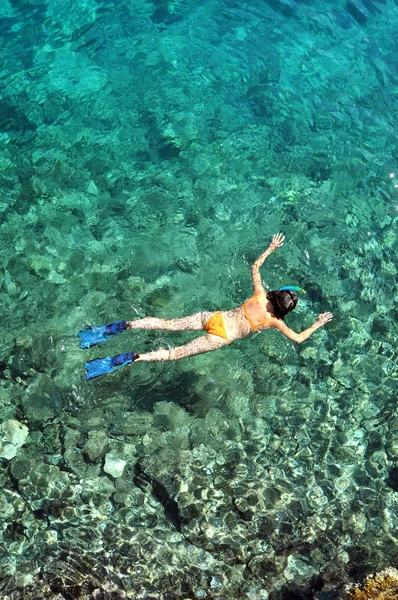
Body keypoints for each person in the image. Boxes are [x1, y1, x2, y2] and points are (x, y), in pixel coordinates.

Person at [79, 233, 333, 380]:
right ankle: (134, 357)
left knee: (167, 324)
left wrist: (271, 248)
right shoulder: (275, 322)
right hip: (220, 336)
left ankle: (125, 325)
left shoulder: (259, 295)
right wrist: (318, 323)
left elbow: (255, 267)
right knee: (173, 354)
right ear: (285, 311)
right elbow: (299, 339)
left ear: (276, 296)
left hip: (214, 318)